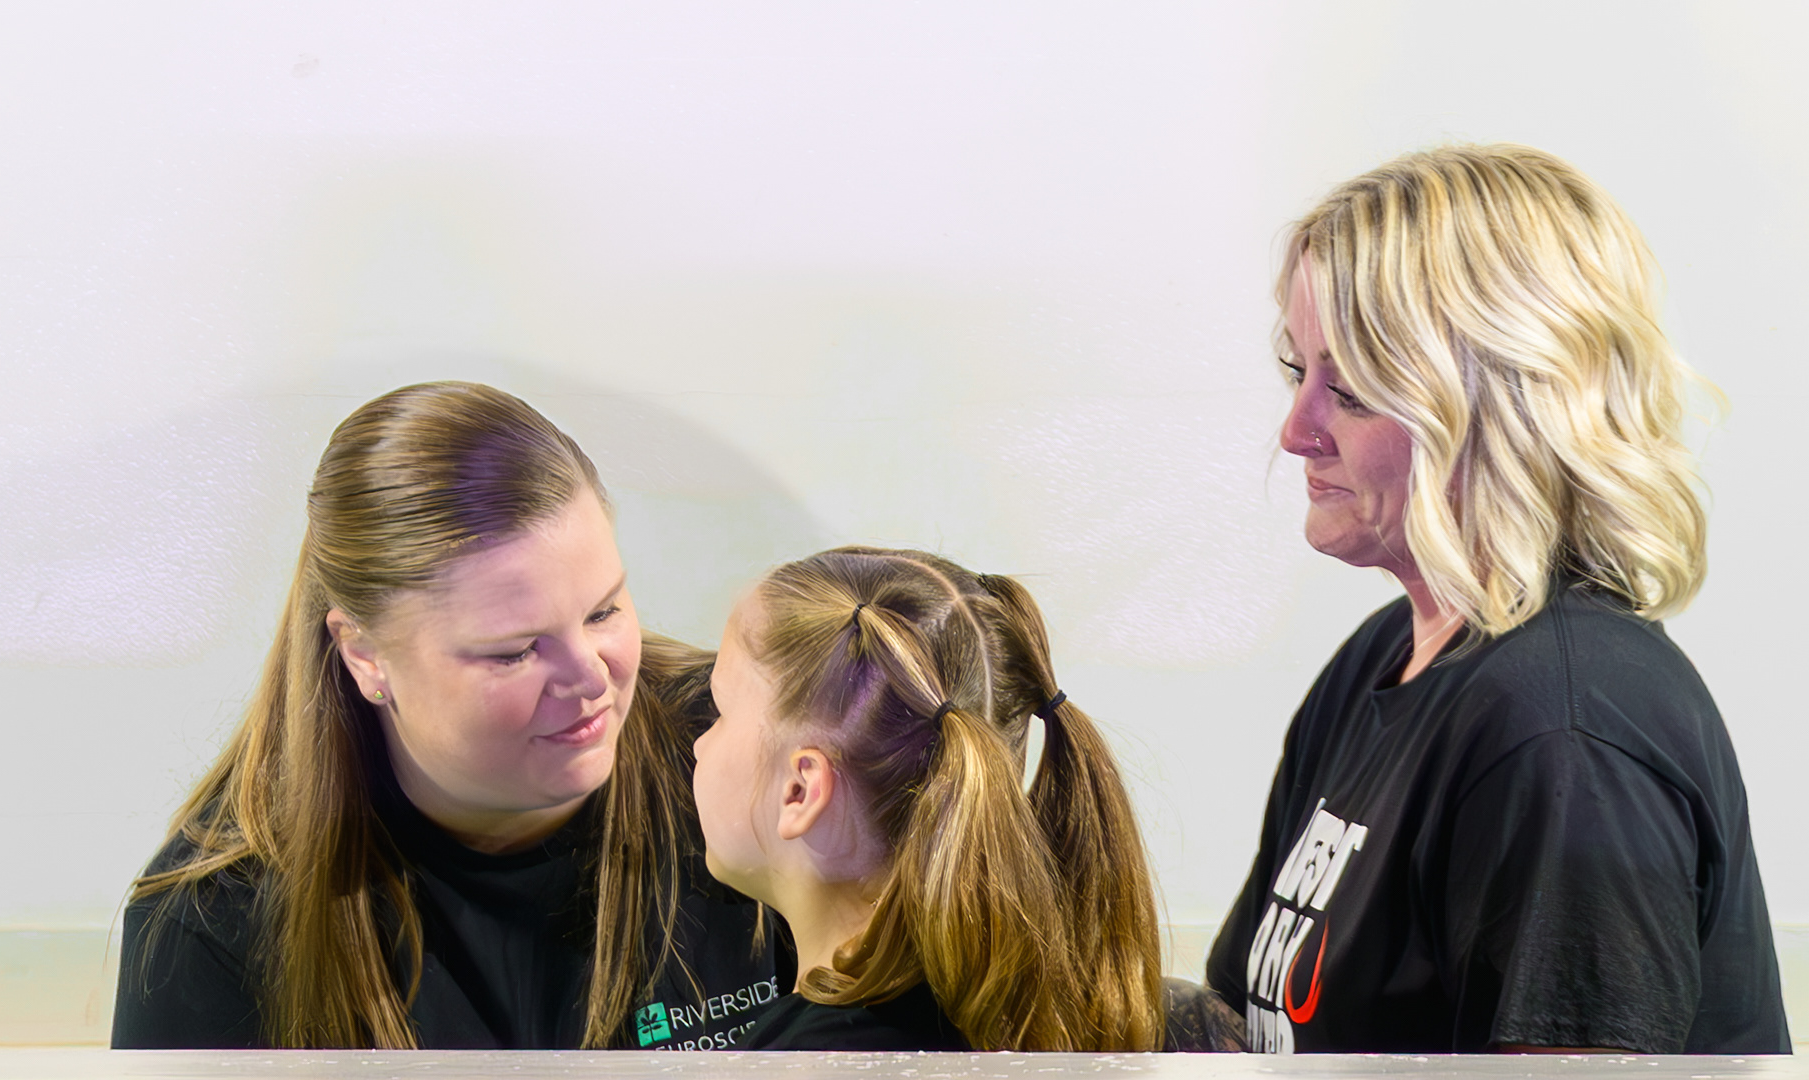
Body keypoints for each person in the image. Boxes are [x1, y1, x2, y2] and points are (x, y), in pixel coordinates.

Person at [1207, 144, 1791, 1054]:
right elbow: (1243, 1030)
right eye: (1298, 372)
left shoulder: (1564, 733)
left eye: (1349, 390)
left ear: (1499, 408)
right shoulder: (1381, 661)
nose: (1296, 432)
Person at [113, 381, 784, 1050]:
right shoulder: (214, 920)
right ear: (365, 654)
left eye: (603, 611)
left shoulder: (760, 754)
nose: (590, 677)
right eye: (516, 651)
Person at [693, 545, 1243, 1052]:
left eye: (719, 711)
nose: (698, 743)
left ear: (800, 790)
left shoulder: (786, 1064)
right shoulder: (1091, 1013)